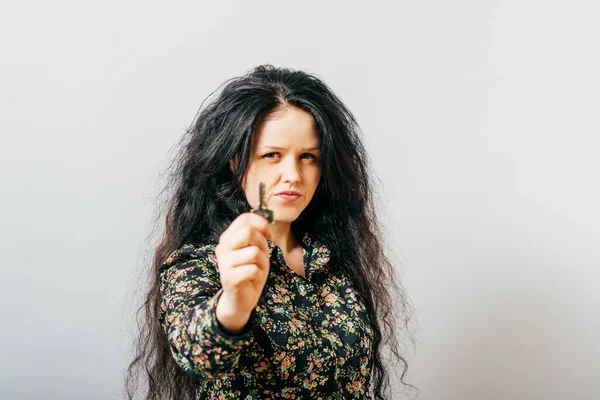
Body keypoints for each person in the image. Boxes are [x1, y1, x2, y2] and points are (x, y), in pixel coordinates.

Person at [126, 65, 417, 399]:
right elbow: (199, 354)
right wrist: (234, 304)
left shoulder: (332, 262)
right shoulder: (198, 265)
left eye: (308, 156)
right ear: (235, 161)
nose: (292, 174)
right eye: (272, 155)